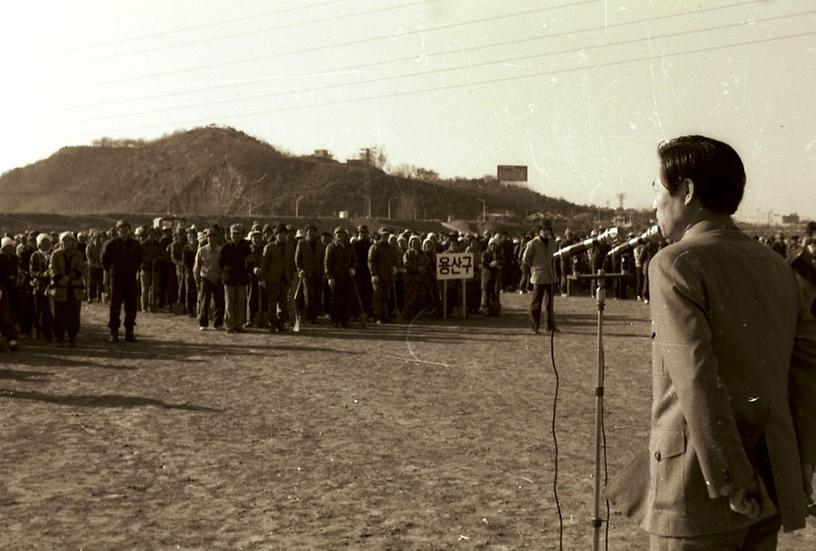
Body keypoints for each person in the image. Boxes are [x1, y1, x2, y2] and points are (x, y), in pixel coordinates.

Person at [611, 135, 816, 549]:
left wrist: (732, 480)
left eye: (657, 188)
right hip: (771, 478)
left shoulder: (674, 263)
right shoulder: (778, 266)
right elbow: (807, 375)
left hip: (700, 487)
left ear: (686, 192)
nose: (653, 202)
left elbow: (697, 379)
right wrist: (801, 468)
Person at [101, 220, 143, 343]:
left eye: (126, 230)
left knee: (131, 307)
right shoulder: (111, 244)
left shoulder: (136, 245)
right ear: (118, 231)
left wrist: (134, 268)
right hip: (116, 279)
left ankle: (129, 332)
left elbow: (140, 258)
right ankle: (114, 332)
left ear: (129, 231)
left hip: (130, 279)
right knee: (115, 306)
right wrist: (112, 270)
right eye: (121, 230)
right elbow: (104, 261)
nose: (124, 232)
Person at [49, 232, 87, 346]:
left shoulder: (78, 255)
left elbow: (80, 268)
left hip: (74, 289)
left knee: (74, 315)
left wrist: (69, 277)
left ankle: (72, 337)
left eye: (69, 240)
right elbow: (52, 268)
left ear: (72, 242)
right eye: (64, 240)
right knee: (59, 314)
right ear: (61, 242)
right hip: (60, 288)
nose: (67, 243)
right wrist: (59, 278)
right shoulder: (55, 254)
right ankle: (59, 338)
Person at [522, 220, 558, 333]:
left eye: (548, 229)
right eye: (545, 229)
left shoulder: (552, 242)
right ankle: (534, 327)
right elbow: (525, 259)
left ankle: (550, 326)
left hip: (550, 276)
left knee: (549, 304)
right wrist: (534, 267)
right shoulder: (533, 243)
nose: (547, 231)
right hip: (538, 277)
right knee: (536, 304)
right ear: (540, 230)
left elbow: (555, 258)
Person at [218, 224, 252, 333]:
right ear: (230, 234)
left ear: (241, 234)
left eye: (238, 233)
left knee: (241, 302)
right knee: (229, 302)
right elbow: (220, 263)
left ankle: (239, 325)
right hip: (229, 279)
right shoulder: (225, 248)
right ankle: (229, 325)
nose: (236, 236)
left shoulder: (246, 248)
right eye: (234, 233)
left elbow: (250, 261)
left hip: (241, 278)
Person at [324, 227, 357, 328]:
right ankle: (335, 320)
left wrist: (353, 268)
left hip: (347, 277)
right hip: (336, 277)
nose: (340, 236)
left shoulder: (349, 247)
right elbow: (327, 263)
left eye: (342, 234)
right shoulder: (331, 247)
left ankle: (344, 320)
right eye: (338, 234)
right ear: (335, 236)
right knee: (335, 300)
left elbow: (354, 260)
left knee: (347, 299)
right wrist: (329, 277)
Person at [193, 227, 225, 331]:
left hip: (218, 279)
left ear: (217, 238)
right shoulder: (202, 251)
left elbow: (223, 267)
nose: (212, 239)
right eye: (209, 237)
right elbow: (196, 267)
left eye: (214, 237)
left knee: (219, 302)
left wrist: (221, 278)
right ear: (206, 238)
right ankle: (203, 323)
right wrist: (197, 281)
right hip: (205, 278)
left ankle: (218, 323)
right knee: (204, 302)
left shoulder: (221, 251)